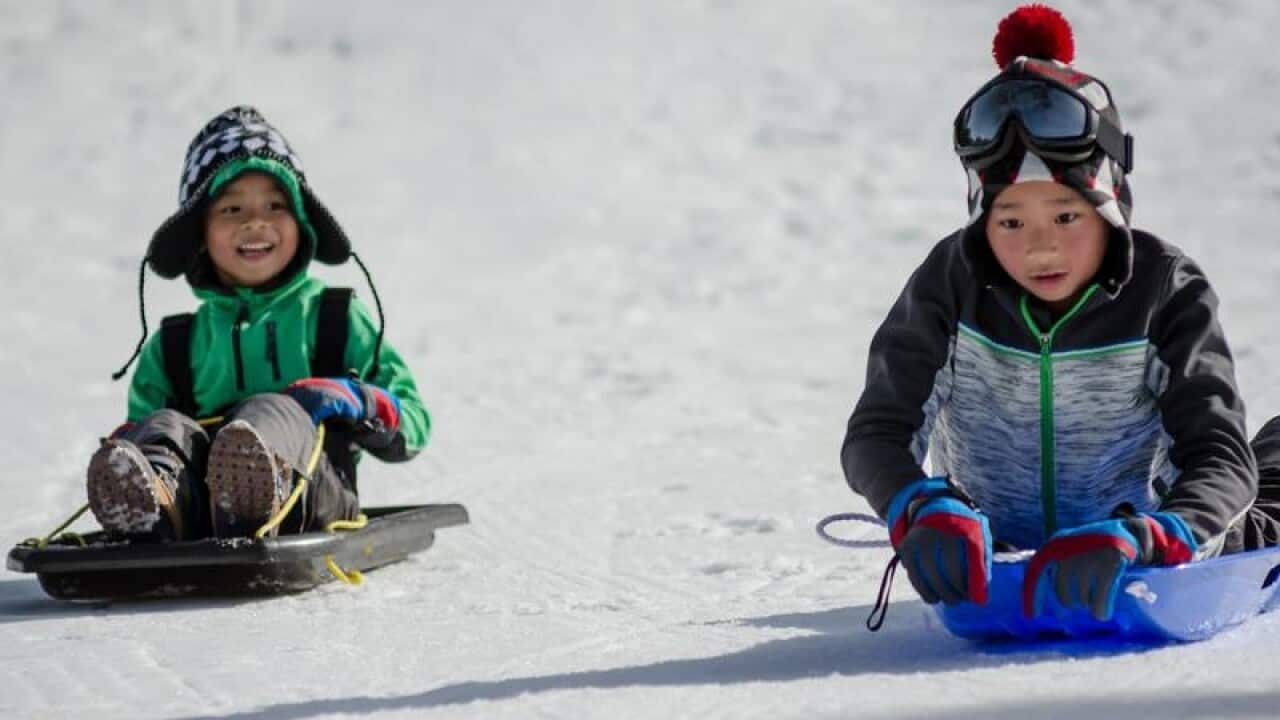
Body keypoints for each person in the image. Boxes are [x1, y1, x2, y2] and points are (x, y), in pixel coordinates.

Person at [840, 5, 1280, 622]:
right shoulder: (950, 282)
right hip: (998, 554)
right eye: (1011, 221)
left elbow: (1217, 456)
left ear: (1109, 205)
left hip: (1147, 545)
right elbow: (877, 432)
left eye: (1066, 216)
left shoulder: (1163, 287)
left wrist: (1151, 537)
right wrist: (918, 503)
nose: (1039, 246)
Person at [87, 106, 430, 541]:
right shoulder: (174, 346)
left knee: (270, 412)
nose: (255, 222)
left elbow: (415, 423)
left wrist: (357, 399)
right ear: (200, 235)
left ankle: (253, 491)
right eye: (231, 208)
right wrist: (134, 446)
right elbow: (146, 426)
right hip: (199, 517)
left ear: (302, 222)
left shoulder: (335, 318)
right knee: (166, 426)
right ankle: (155, 505)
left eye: (274, 205)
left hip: (314, 493)